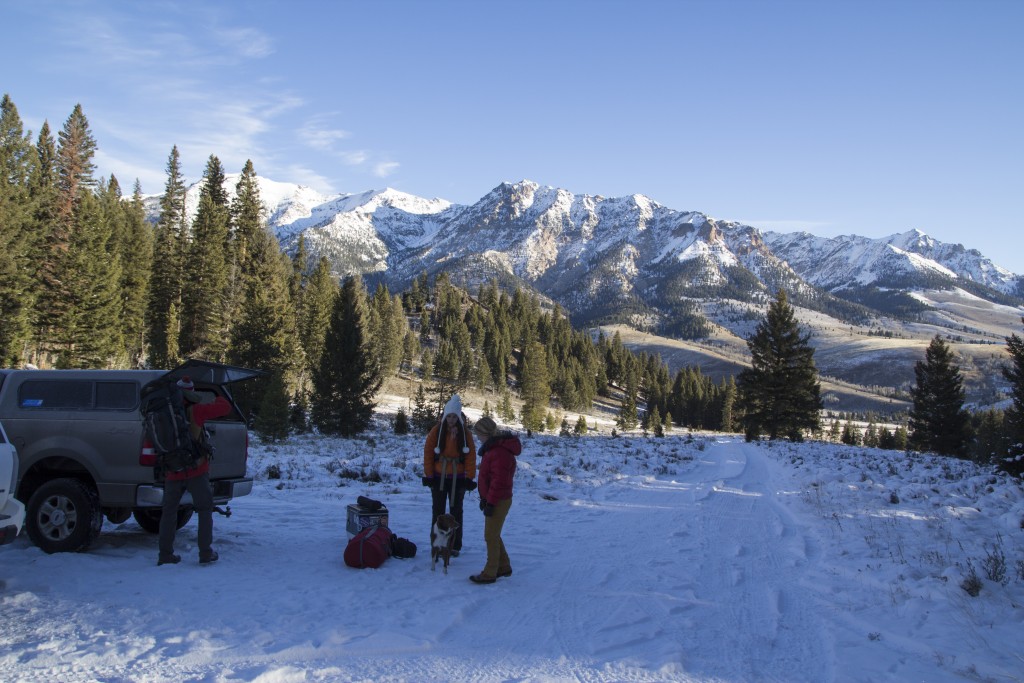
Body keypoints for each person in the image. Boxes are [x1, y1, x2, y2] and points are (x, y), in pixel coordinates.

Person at [158, 376, 232, 566]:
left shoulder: (162, 412)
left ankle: (165, 554)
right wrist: (218, 393)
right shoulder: (196, 410)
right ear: (191, 391)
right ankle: (205, 552)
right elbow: (225, 407)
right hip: (196, 470)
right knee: (205, 510)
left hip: (172, 470)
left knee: (169, 513)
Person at [470, 415, 521, 584]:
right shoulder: (493, 449)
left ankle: (490, 572)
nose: (478, 438)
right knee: (494, 533)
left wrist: (490, 502)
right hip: (496, 498)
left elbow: (498, 482)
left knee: (490, 536)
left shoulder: (498, 452)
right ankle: (504, 566)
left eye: (479, 435)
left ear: (486, 434)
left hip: (499, 499)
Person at [422, 395, 476, 555]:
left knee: (456, 513)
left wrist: (469, 477)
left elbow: (471, 456)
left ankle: (454, 546)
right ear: (445, 416)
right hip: (439, 477)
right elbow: (428, 453)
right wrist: (429, 475)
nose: (451, 419)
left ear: (459, 417)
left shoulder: (465, 434)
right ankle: (437, 544)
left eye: (454, 416)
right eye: (449, 416)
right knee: (437, 511)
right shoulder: (436, 431)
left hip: (458, 479)